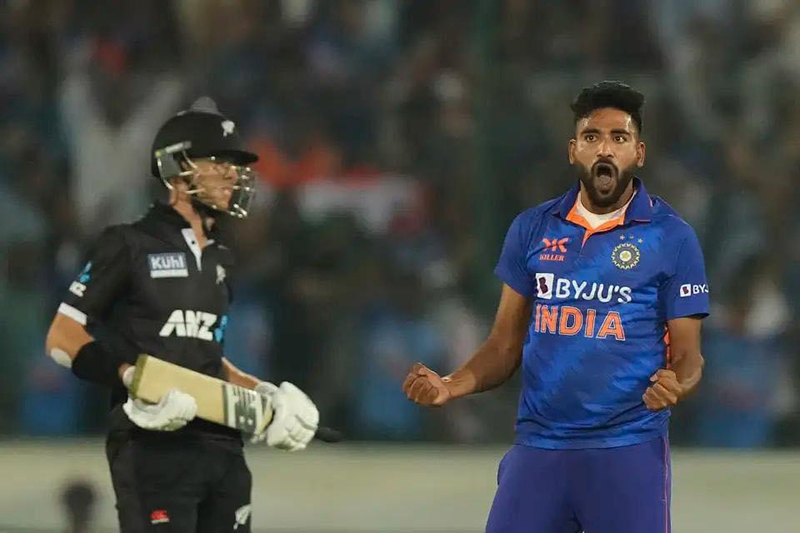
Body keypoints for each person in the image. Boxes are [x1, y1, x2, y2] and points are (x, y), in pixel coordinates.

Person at [403, 81, 709, 533]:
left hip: (626, 449)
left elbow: (689, 355)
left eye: (619, 138)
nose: (605, 149)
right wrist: (450, 386)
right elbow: (504, 346)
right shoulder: (532, 229)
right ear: (573, 150)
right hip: (539, 449)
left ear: (639, 153)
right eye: (592, 137)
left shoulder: (672, 237)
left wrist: (677, 385)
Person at [45, 97, 319, 532]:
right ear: (176, 169)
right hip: (151, 442)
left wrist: (264, 394)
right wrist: (133, 381)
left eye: (234, 164)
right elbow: (63, 336)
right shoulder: (128, 244)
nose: (232, 174)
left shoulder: (221, 257)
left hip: (222, 446)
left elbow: (205, 356)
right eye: (217, 162)